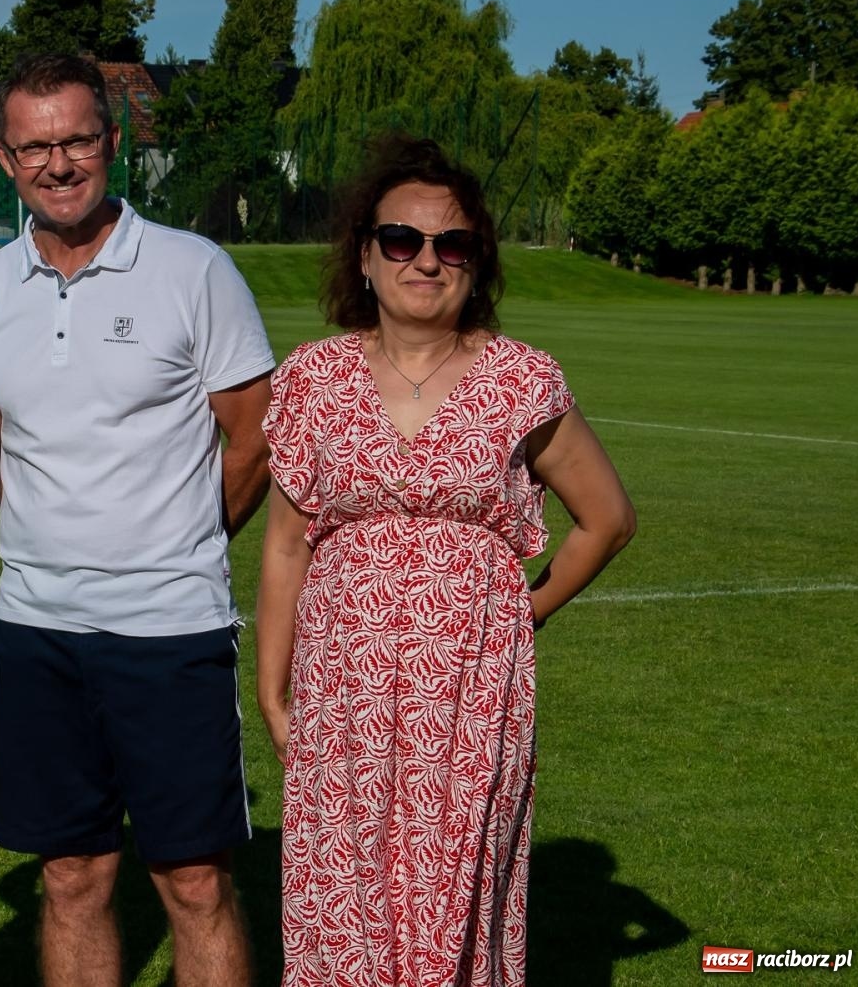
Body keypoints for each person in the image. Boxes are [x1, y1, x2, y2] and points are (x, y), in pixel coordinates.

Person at [255, 135, 636, 986]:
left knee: (453, 882)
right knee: (342, 894)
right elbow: (285, 543)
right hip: (341, 689)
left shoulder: (520, 380)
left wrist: (521, 611)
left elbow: (606, 519)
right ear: (365, 254)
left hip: (469, 693)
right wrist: (271, 688)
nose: (426, 260)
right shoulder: (312, 378)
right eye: (402, 239)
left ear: (477, 263)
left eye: (451, 244)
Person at [0, 52, 276, 987]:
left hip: (169, 628)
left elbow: (255, 437)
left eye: (76, 141)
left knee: (193, 880)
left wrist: (175, 541)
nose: (58, 164)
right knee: (70, 876)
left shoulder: (194, 269)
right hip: (35, 629)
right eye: (35, 146)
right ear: (3, 157)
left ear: (110, 142)